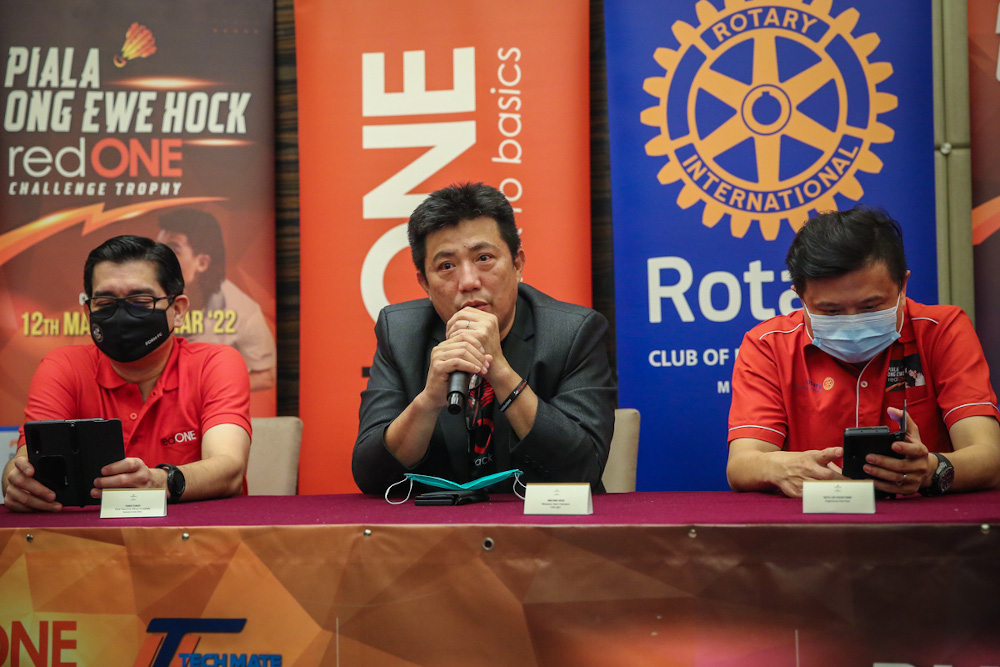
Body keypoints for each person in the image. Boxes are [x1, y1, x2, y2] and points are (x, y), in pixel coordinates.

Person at [353, 182, 617, 495]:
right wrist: (427, 402)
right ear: (424, 282)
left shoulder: (573, 333)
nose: (468, 281)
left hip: (544, 531)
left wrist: (501, 373)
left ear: (517, 264)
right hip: (435, 533)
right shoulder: (400, 333)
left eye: (484, 258)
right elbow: (370, 476)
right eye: (447, 266)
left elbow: (582, 468)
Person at [727, 207, 1000, 498]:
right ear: (800, 298)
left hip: (926, 534)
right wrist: (781, 467)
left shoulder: (942, 330)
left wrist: (932, 469)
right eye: (830, 311)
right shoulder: (768, 344)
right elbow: (742, 464)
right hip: (810, 530)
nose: (852, 321)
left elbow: (989, 457)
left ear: (902, 286)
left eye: (870, 307)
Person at [2, 235, 252, 511]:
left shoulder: (215, 364)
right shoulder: (63, 367)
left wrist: (162, 481)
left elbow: (229, 469)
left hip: (200, 540)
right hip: (86, 544)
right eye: (105, 302)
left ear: (178, 310)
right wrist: (16, 480)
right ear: (88, 311)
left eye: (140, 300)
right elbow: (27, 461)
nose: (122, 314)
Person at [156, 209, 277, 391]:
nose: (158, 261)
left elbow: (266, 376)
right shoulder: (143, 297)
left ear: (202, 263)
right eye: (158, 250)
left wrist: (203, 390)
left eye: (172, 251)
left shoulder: (243, 310)